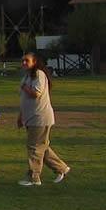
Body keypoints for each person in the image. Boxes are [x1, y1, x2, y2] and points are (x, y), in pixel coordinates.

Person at [17, 52, 70, 186]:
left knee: (34, 147)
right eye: (22, 60)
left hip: (40, 117)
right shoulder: (27, 76)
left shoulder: (39, 74)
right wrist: (20, 116)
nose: (24, 63)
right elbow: (24, 99)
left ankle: (34, 178)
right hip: (30, 117)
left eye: (26, 61)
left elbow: (36, 93)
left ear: (34, 62)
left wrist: (25, 87)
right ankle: (61, 168)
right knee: (41, 147)